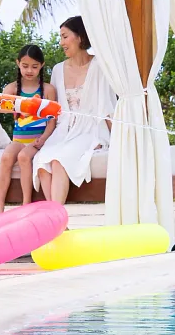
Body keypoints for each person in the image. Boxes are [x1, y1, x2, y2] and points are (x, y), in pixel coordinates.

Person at [30, 17, 113, 206]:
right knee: (42, 161)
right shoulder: (58, 69)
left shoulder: (100, 66)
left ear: (80, 37)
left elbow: (107, 105)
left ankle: (55, 219)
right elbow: (52, 108)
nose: (61, 43)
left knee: (60, 161)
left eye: (65, 36)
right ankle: (56, 219)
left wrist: (116, 138)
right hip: (63, 130)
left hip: (90, 130)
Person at [0, 44, 57, 212]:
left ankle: (26, 204)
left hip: (36, 141)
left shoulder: (47, 89)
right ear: (18, 63)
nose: (29, 70)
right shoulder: (13, 88)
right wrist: (15, 106)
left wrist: (43, 140)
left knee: (23, 157)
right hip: (19, 139)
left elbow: (52, 120)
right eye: (25, 66)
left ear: (42, 66)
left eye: (34, 67)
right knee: (7, 156)